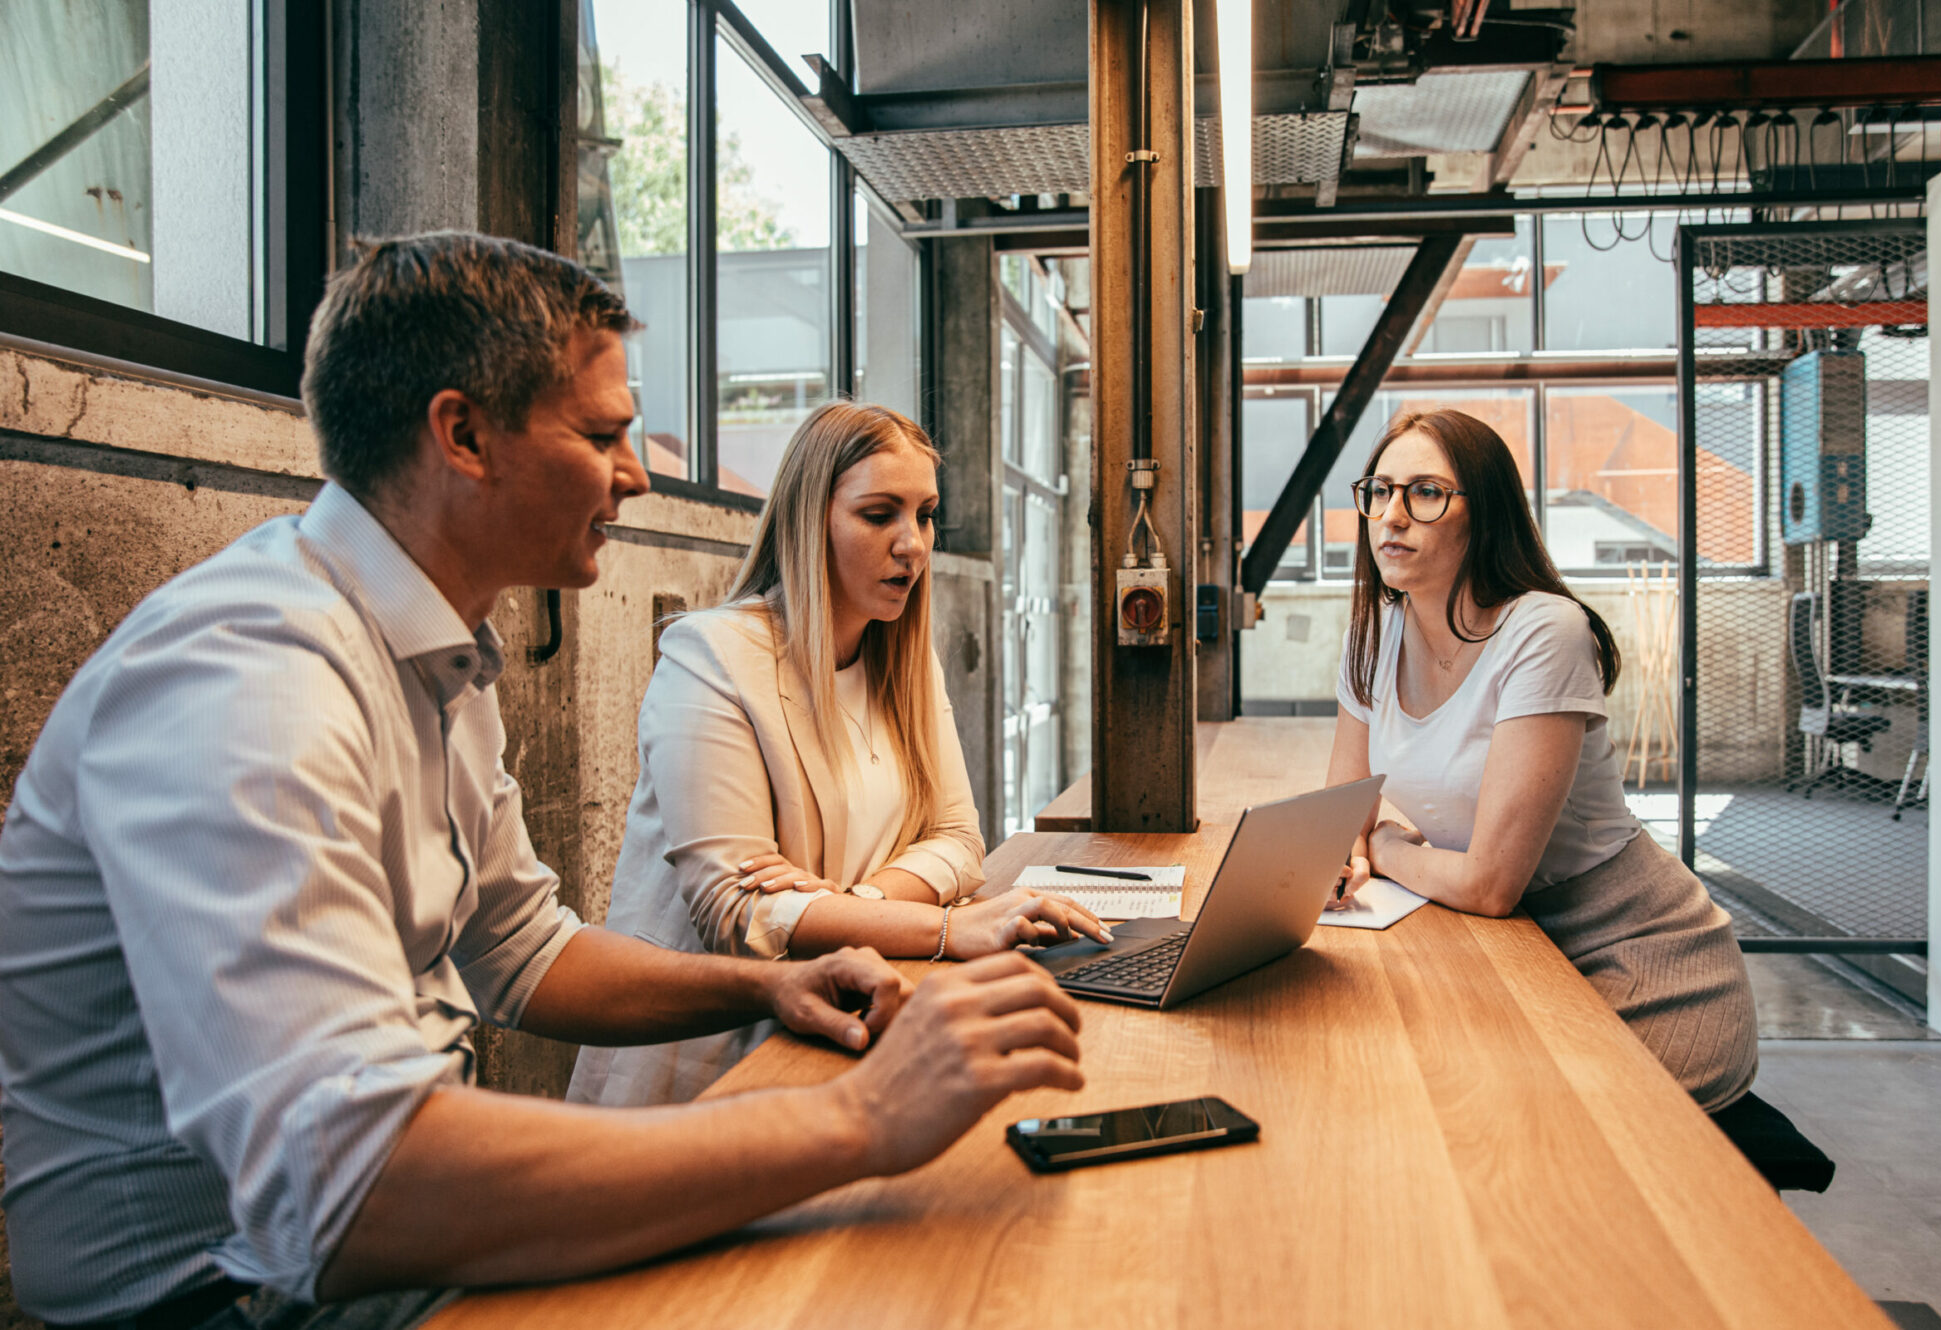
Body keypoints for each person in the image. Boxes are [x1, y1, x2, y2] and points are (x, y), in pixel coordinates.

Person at [0, 232, 1088, 1330]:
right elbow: (345, 1183)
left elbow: (526, 953)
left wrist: (763, 984)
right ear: (463, 434)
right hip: (228, 1301)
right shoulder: (251, 677)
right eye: (605, 433)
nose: (638, 472)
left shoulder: (438, 659)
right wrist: (861, 1118)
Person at [570, 401, 1110, 1107]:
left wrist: (843, 904)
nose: (913, 543)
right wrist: (946, 927)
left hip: (852, 1024)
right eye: (880, 514)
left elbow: (958, 843)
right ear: (809, 520)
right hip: (712, 1065)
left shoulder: (904, 662)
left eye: (924, 514)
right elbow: (735, 915)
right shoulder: (711, 656)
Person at [1328, 408, 1757, 1111]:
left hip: (1637, 961)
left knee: (1511, 1137)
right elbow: (1339, 821)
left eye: (1425, 493)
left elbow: (1491, 884)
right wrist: (1354, 845)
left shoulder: (1545, 631)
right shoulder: (1373, 637)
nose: (1392, 516)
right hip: (1512, 956)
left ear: (1485, 513)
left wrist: (1385, 844)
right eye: (1379, 490)